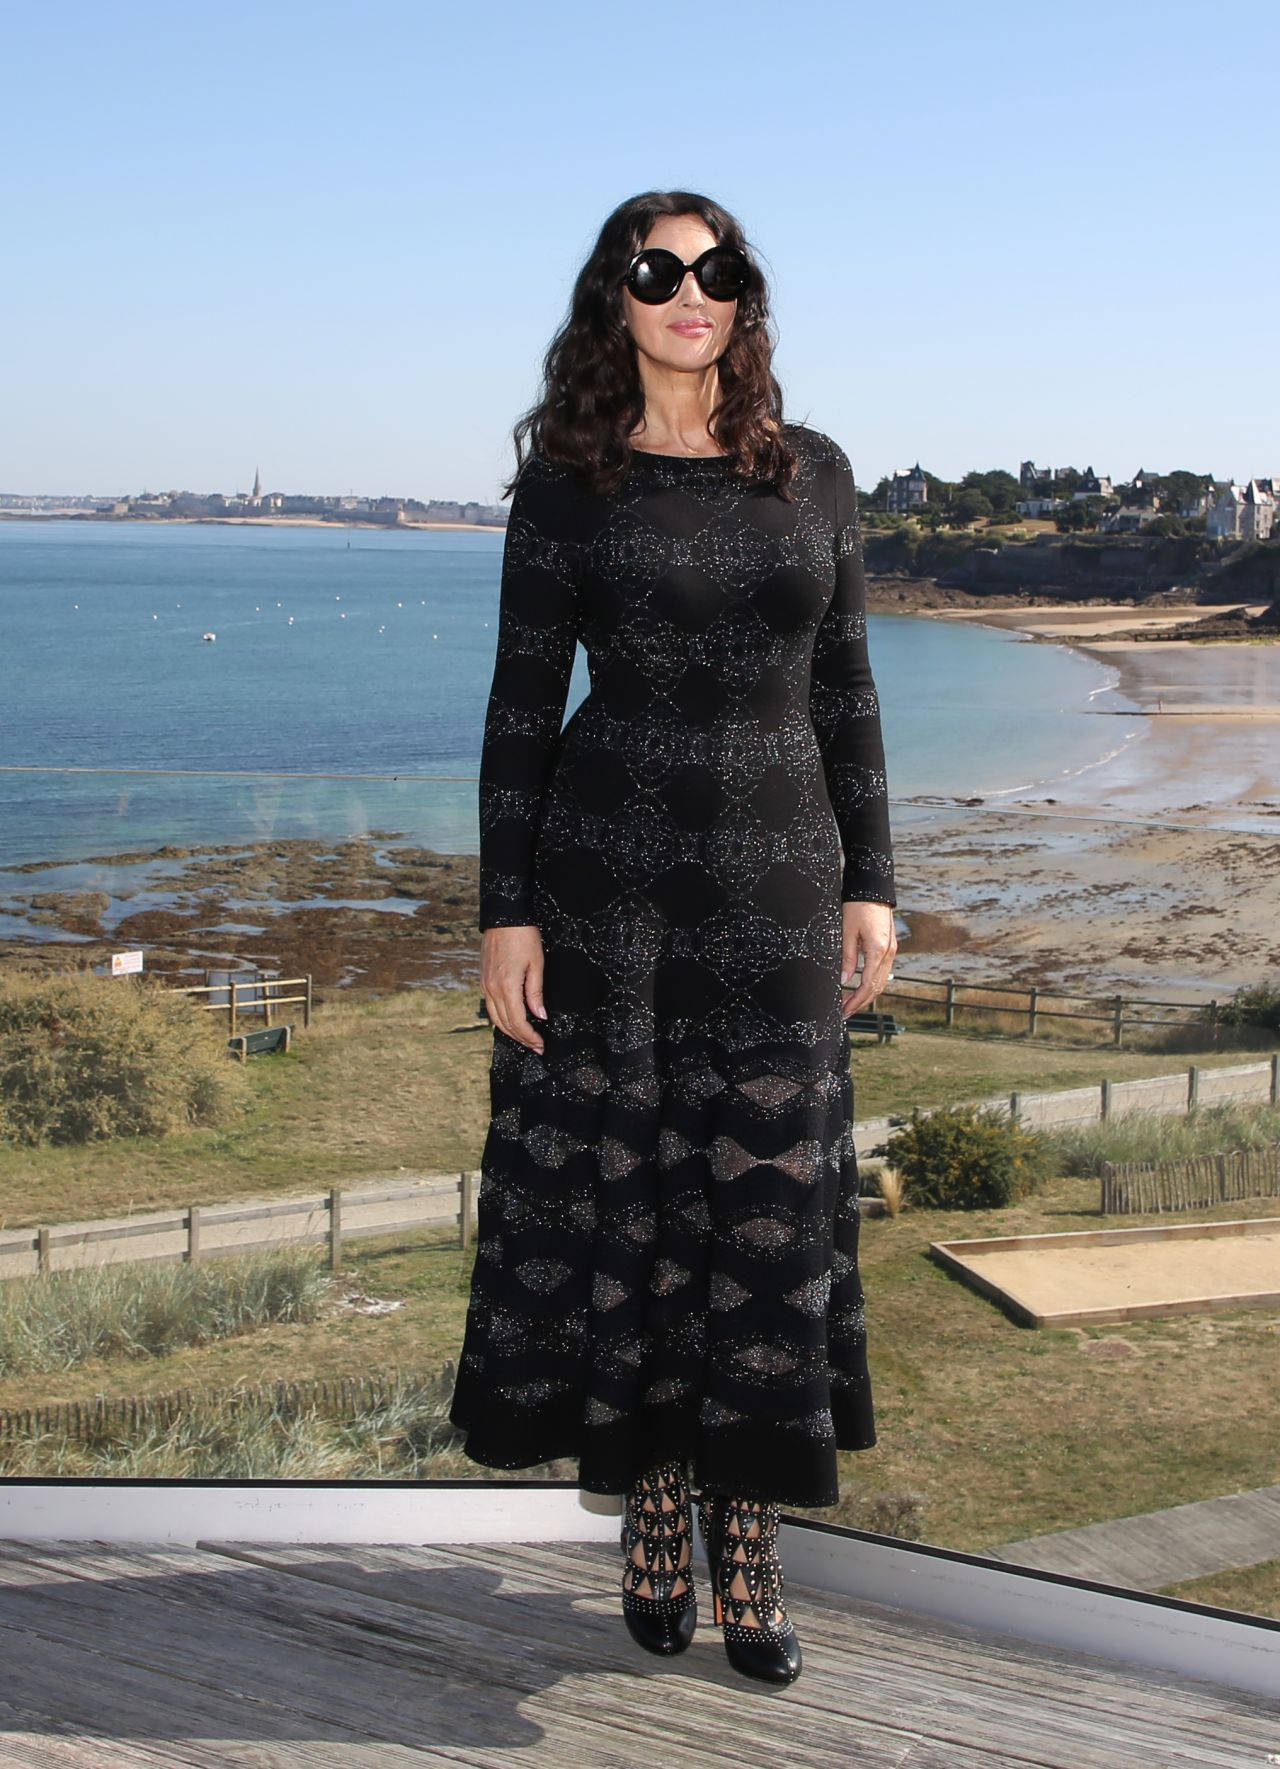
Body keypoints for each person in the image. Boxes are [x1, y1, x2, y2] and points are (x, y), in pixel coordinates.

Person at [448, 189, 898, 1686]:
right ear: (616, 299)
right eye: (661, 270)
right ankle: (652, 1497)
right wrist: (504, 908)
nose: (691, 291)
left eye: (719, 270)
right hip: (608, 887)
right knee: (635, 1213)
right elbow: (521, 710)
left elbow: (845, 685)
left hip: (774, 888)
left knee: (764, 1212)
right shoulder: (568, 482)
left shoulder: (815, 473)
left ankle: (749, 1530)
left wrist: (872, 876)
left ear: (744, 295)